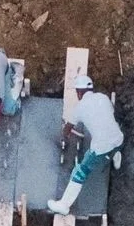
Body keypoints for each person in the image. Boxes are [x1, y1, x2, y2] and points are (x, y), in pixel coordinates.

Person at [50, 72, 124, 213]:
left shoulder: (79, 108)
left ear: (79, 93)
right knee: (113, 143)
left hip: (101, 148)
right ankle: (116, 157)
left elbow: (67, 129)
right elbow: (108, 115)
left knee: (80, 172)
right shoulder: (103, 97)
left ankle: (64, 205)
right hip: (119, 139)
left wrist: (64, 137)